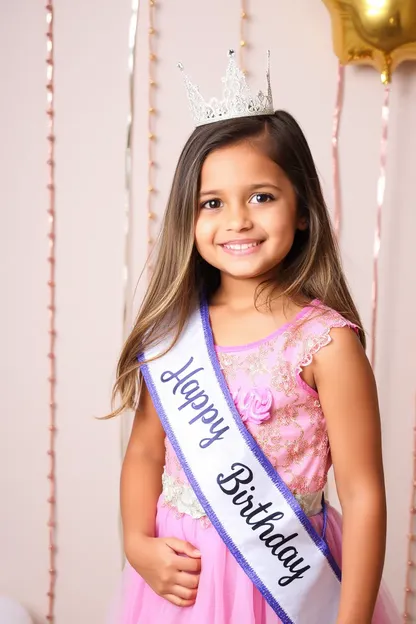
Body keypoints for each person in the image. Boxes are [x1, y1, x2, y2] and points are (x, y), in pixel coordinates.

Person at [107, 51, 400, 623]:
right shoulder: (173, 332)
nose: (237, 220)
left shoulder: (325, 342)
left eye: (261, 196)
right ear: (187, 222)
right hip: (182, 584)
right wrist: (136, 543)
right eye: (212, 203)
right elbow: (144, 449)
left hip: (287, 582)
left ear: (303, 210)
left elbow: (364, 495)